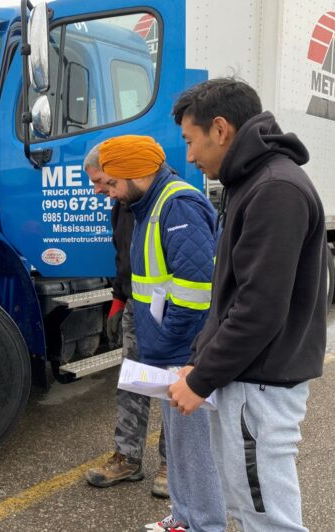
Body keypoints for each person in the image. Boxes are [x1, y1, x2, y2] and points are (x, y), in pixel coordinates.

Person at [167, 78, 327, 531]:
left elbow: (259, 309)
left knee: (266, 517)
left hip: (261, 383)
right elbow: (231, 295)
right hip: (249, 380)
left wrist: (201, 379)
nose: (191, 156)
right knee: (248, 504)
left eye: (191, 140)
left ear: (220, 129)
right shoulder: (252, 182)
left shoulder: (275, 188)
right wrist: (199, 363)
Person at [99, 135, 225, 532]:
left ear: (138, 173)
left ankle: (203, 523)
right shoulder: (147, 205)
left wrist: (172, 346)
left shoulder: (176, 205)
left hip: (183, 351)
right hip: (169, 348)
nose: (111, 192)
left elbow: (194, 293)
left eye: (114, 182)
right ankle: (185, 516)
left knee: (193, 448)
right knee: (180, 445)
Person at [83, 143, 169, 499]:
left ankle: (171, 464)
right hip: (136, 305)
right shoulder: (123, 206)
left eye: (102, 180)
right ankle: (128, 458)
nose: (99, 190)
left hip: (168, 313)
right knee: (133, 383)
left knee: (169, 387)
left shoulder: (171, 203)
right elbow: (124, 257)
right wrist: (119, 300)